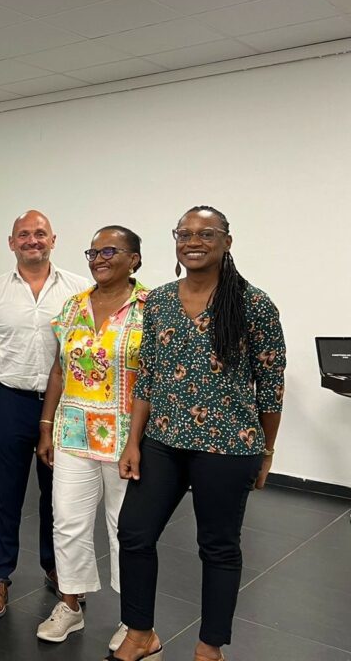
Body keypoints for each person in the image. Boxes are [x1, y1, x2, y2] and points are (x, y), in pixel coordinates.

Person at [110, 206, 285, 661]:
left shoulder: (253, 304)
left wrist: (266, 451)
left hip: (226, 446)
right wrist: (133, 442)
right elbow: (148, 376)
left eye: (206, 234)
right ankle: (140, 633)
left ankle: (209, 647)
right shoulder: (159, 301)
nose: (193, 241)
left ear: (227, 241)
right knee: (134, 533)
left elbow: (271, 385)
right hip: (163, 441)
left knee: (218, 547)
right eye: (184, 233)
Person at [0, 209, 90, 619]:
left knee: (60, 494)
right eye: (23, 234)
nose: (32, 240)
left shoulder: (79, 290)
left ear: (53, 240)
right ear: (12, 243)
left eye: (40, 233)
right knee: (4, 493)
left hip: (65, 405)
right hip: (11, 401)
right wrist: (6, 375)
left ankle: (57, 567)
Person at [34, 226, 147, 650]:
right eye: (93, 252)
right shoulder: (74, 305)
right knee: (67, 521)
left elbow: (152, 378)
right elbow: (59, 370)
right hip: (73, 432)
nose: (99, 259)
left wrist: (140, 440)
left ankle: (132, 619)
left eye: (110, 251)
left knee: (125, 528)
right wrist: (46, 426)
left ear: (134, 259)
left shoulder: (150, 308)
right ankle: (70, 604)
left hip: (126, 438)